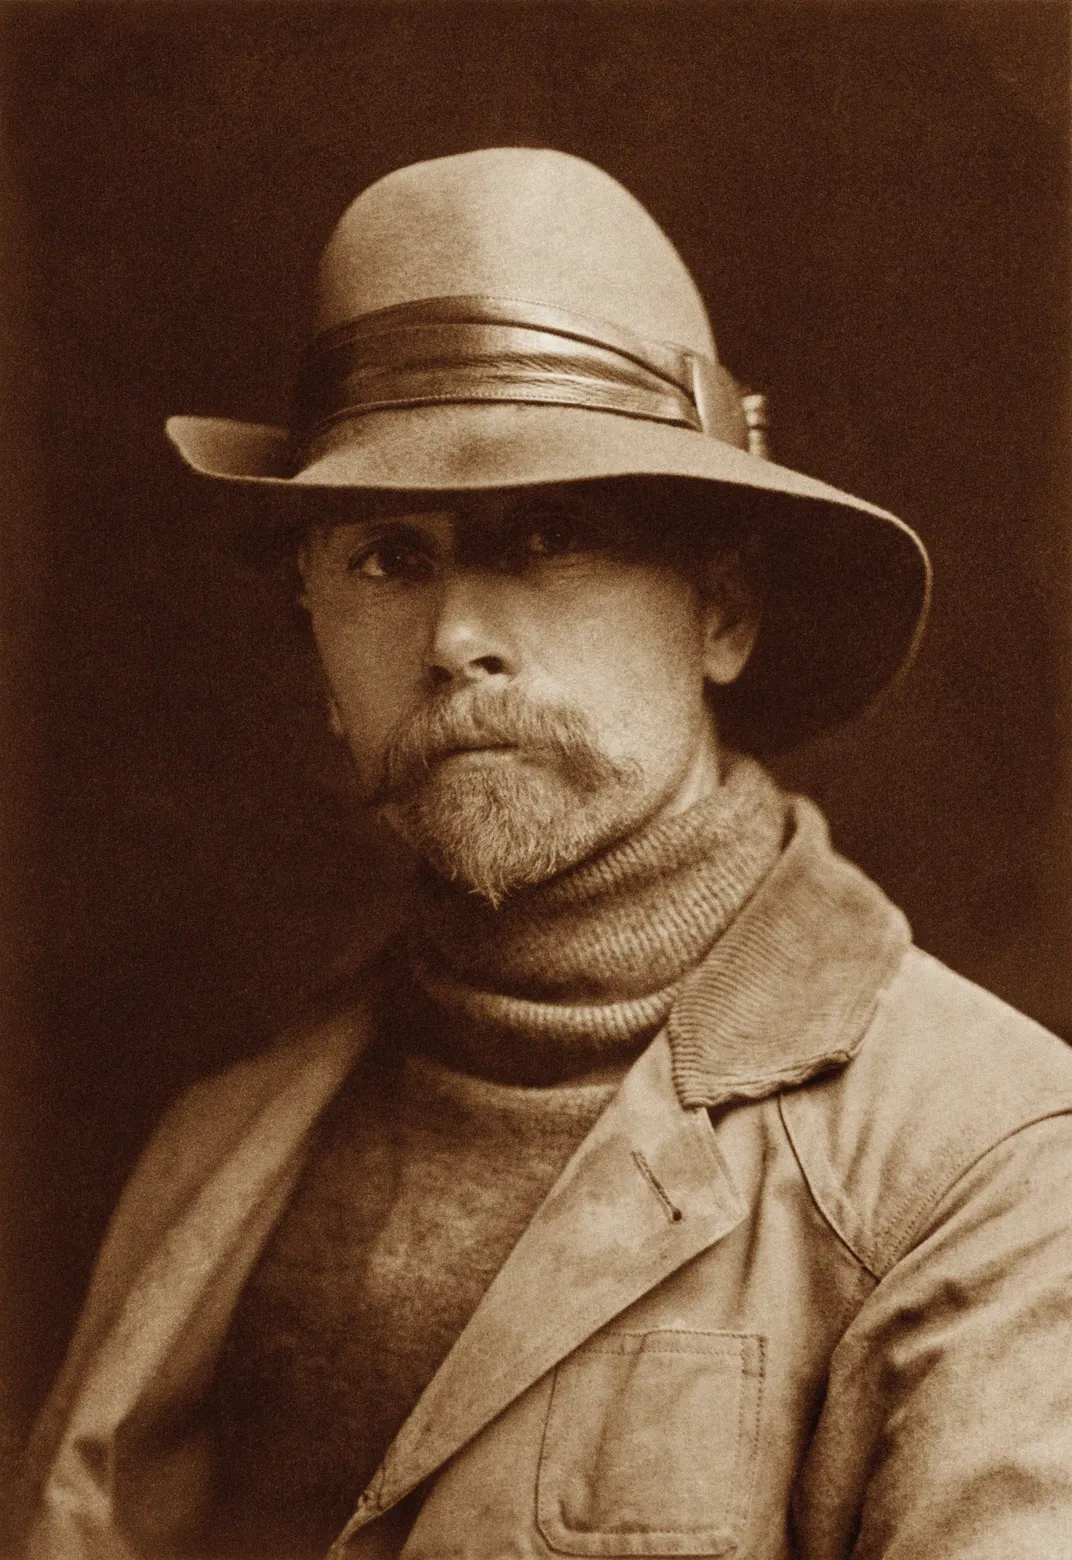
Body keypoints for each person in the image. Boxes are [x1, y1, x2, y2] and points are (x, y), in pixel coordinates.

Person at [22, 148, 1072, 1560]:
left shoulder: (989, 1161)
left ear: (723, 613)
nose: (456, 639)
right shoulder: (218, 1142)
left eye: (544, 536)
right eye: (390, 558)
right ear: (319, 652)